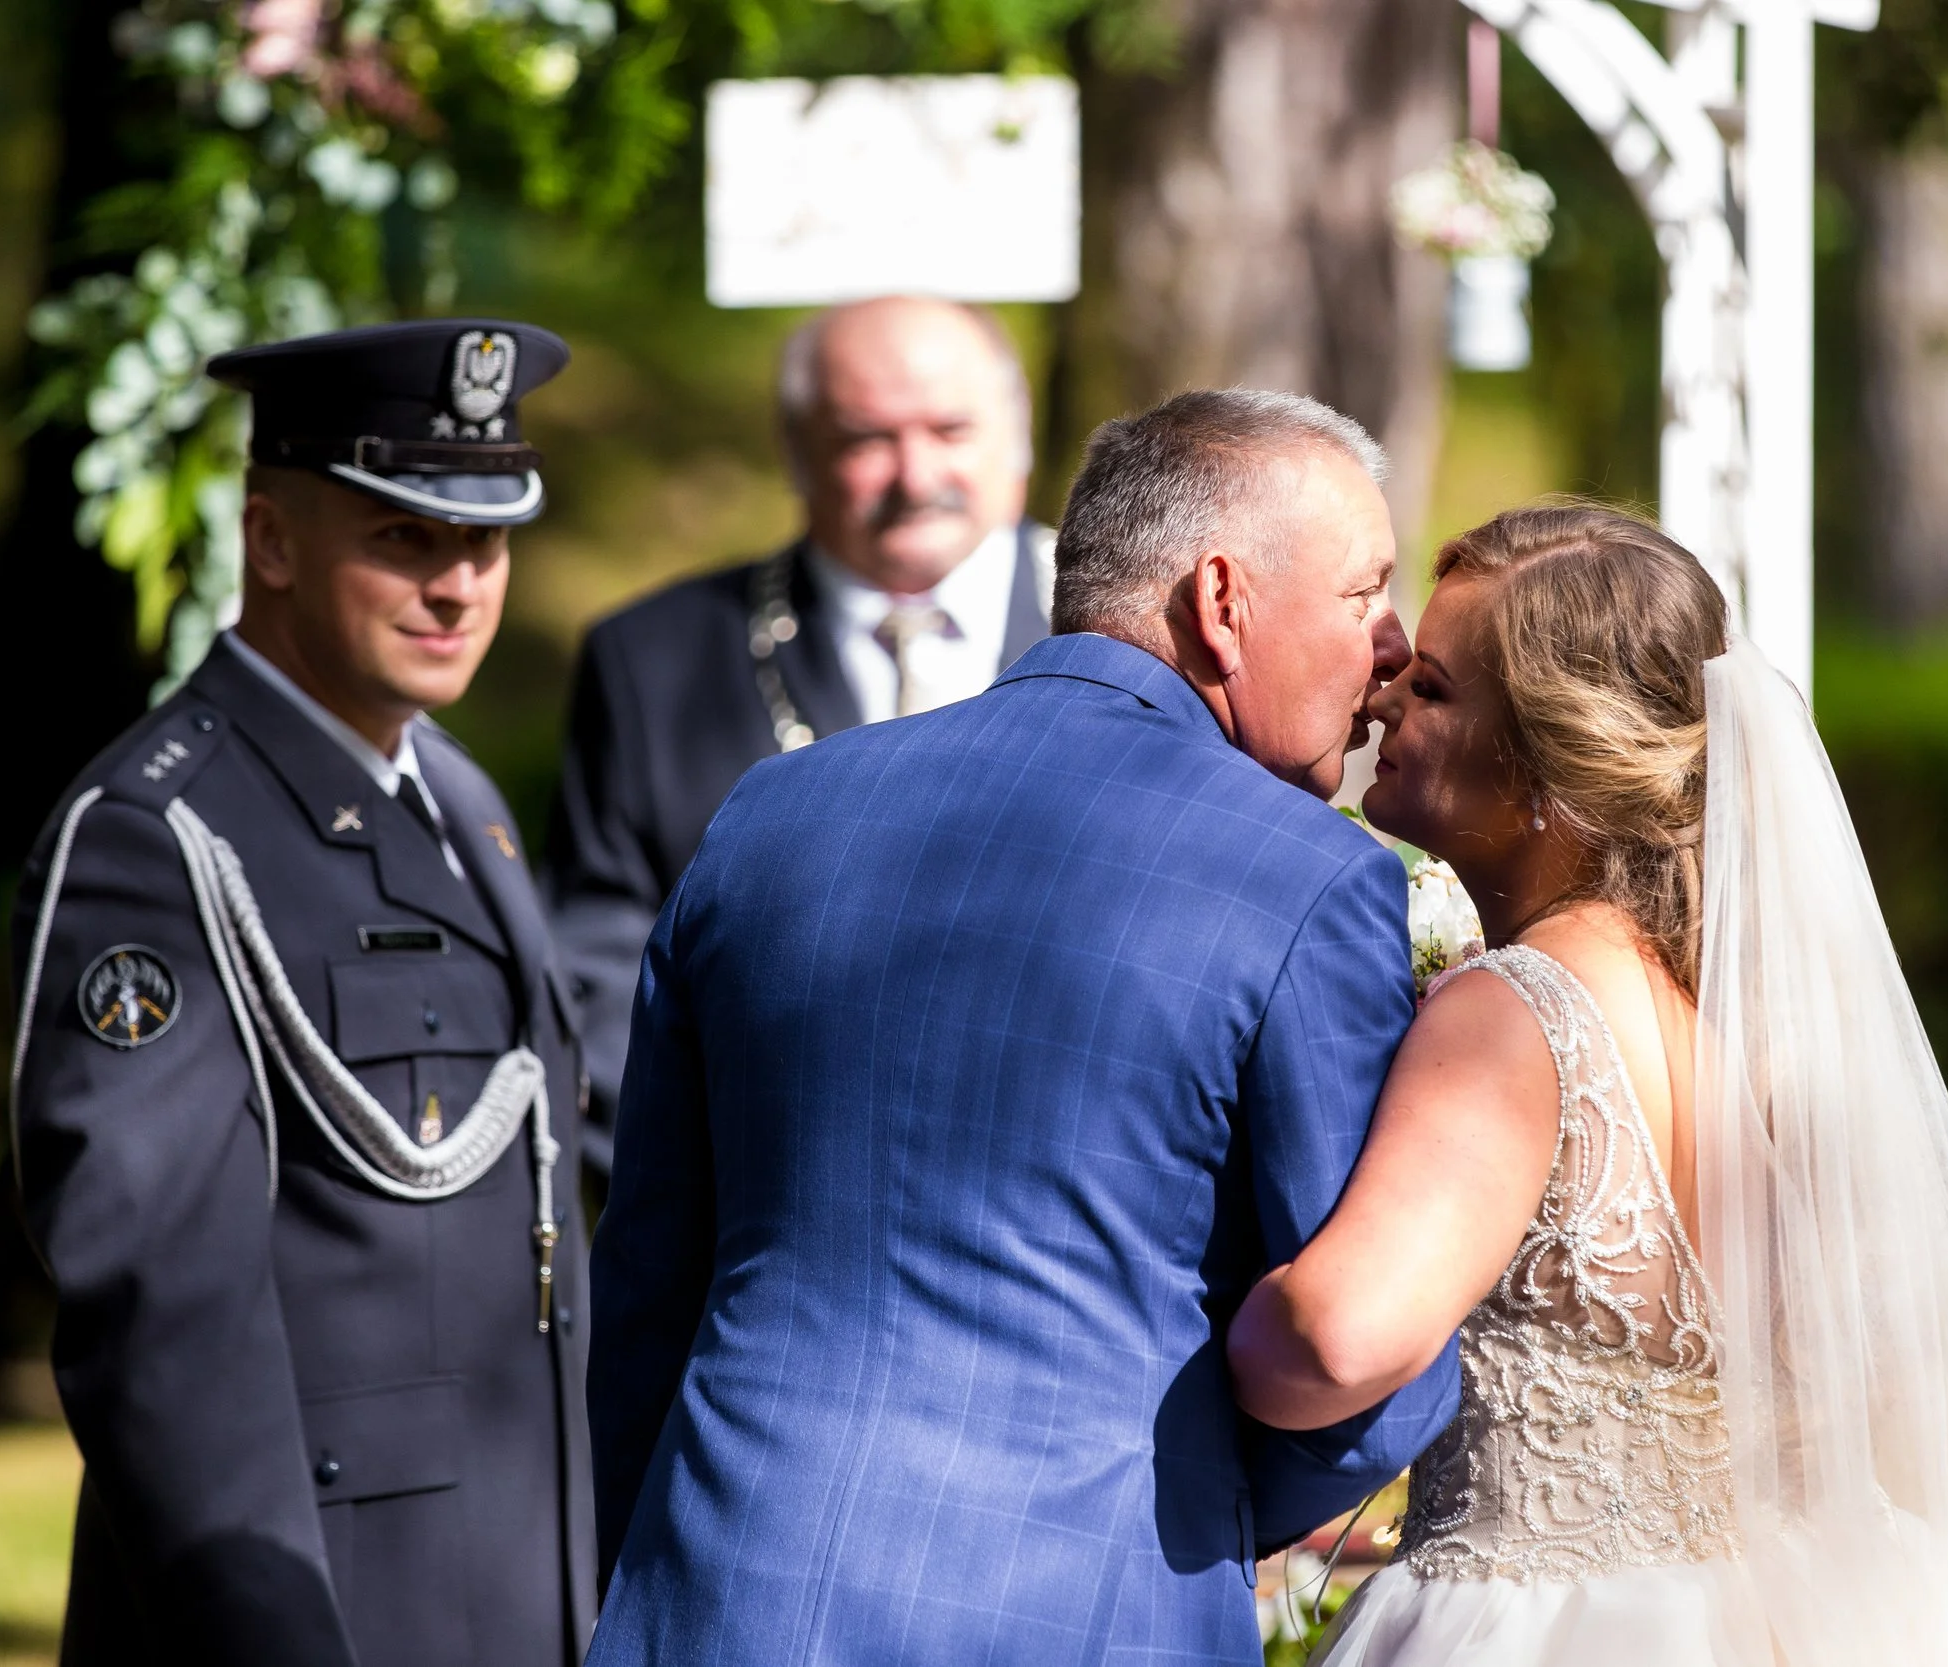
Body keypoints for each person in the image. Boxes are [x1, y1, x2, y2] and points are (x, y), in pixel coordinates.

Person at [583, 389, 1462, 1665]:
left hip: (719, 1588)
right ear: (1222, 602)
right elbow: (1356, 1373)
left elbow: (649, 1281)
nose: (1387, 644)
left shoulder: (770, 812)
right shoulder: (1302, 878)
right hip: (1079, 1603)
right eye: (1361, 590)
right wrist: (1195, 1509)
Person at [1226, 502, 1948, 1667]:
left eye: (1437, 689)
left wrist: (1192, 1323)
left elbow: (1336, 1340)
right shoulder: (1741, 1020)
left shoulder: (1513, 1011)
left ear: (1546, 756)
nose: (1386, 697)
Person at [8, 320, 597, 1667]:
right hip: (322, 1603)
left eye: (486, 542)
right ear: (270, 541)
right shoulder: (155, 839)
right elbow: (167, 1328)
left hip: (516, 1588)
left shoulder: (455, 794)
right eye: (403, 537)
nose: (458, 586)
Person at [543, 296, 1053, 1145]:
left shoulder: (1136, 633)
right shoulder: (654, 662)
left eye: (950, 430)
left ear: (1019, 438)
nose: (916, 475)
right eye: (867, 439)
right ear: (797, 453)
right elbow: (599, 970)